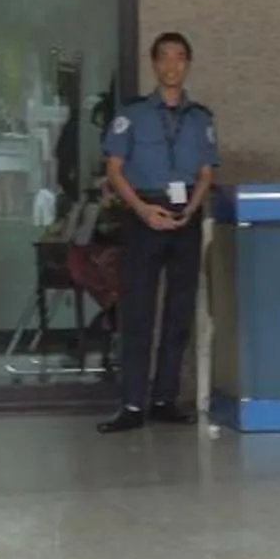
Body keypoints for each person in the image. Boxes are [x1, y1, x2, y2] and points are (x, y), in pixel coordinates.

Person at [100, 30, 217, 433]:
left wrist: (192, 208)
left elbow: (206, 172)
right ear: (154, 63)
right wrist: (142, 210)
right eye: (164, 57)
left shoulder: (201, 118)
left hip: (184, 217)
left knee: (179, 311)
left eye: (180, 57)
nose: (172, 65)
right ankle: (132, 404)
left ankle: (165, 398)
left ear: (188, 64)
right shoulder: (132, 113)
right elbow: (114, 170)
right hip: (143, 214)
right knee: (138, 312)